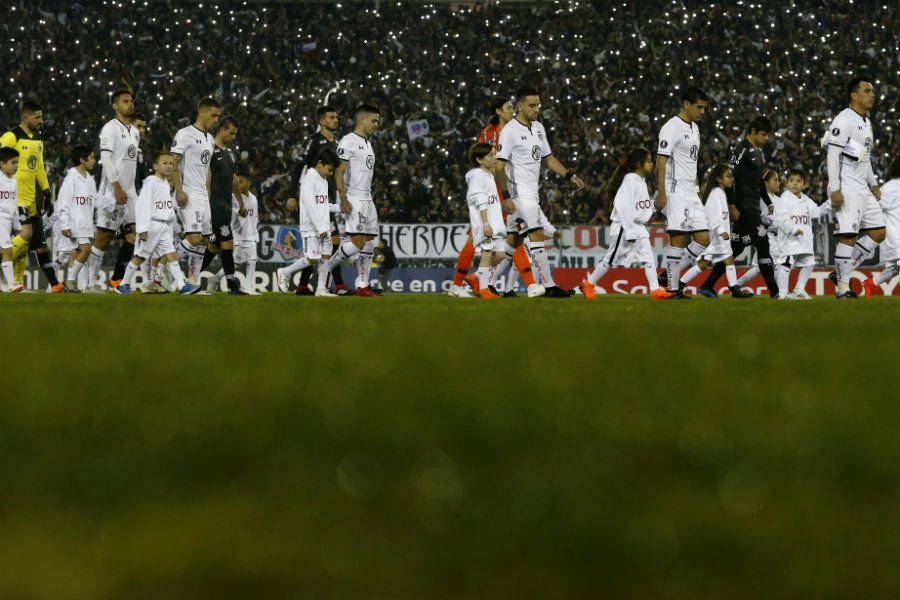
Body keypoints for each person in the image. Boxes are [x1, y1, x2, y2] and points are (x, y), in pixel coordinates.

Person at [495, 86, 584, 298]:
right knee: (536, 234)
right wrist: (506, 197)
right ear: (520, 106)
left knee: (513, 243)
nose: (536, 109)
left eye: (538, 105)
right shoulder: (510, 131)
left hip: (531, 192)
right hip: (519, 195)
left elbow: (549, 158)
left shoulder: (538, 128)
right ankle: (548, 285)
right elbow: (499, 167)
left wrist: (568, 175)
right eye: (532, 105)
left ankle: (480, 278)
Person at [698, 116, 779, 296]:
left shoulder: (759, 151)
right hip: (744, 206)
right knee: (763, 242)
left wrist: (768, 201)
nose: (766, 138)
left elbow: (759, 181)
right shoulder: (740, 149)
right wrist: (732, 204)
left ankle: (707, 285)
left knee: (735, 247)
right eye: (763, 134)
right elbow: (729, 177)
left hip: (753, 205)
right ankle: (776, 293)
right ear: (752, 132)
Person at [580, 148, 672, 300]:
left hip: (638, 227)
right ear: (638, 164)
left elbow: (639, 205)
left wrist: (654, 205)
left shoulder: (640, 181)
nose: (651, 164)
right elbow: (622, 205)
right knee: (609, 260)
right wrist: (629, 231)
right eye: (648, 161)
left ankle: (655, 290)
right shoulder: (630, 179)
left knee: (649, 258)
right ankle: (588, 284)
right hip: (625, 226)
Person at [822, 77, 884, 299]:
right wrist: (835, 188)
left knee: (878, 232)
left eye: (873, 91)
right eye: (867, 90)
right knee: (848, 236)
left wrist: (874, 183)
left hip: (862, 189)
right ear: (854, 95)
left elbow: (863, 157)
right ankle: (843, 289)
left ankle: (840, 274)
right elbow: (832, 153)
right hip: (846, 187)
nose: (872, 94)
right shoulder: (844, 120)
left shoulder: (866, 122)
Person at [0, 101, 63, 291]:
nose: (41, 121)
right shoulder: (11, 137)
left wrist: (46, 191)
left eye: (41, 116)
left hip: (31, 200)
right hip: (14, 198)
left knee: (40, 245)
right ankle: (5, 260)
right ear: (25, 117)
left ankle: (52, 285)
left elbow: (39, 167)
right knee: (26, 234)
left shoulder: (37, 139)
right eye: (37, 117)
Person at [116, 152, 199, 295]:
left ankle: (182, 286)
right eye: (165, 163)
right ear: (156, 166)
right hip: (152, 225)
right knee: (140, 256)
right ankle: (123, 285)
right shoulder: (151, 182)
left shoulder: (165, 183)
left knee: (171, 255)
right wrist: (142, 228)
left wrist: (174, 226)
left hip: (165, 227)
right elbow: (142, 205)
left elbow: (167, 207)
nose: (168, 166)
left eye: (171, 164)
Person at [287, 105, 349, 295]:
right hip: (314, 201)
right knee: (333, 241)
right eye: (331, 117)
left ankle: (304, 285)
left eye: (337, 117)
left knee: (330, 244)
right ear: (322, 121)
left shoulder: (336, 143)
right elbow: (298, 166)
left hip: (327, 199)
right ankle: (338, 285)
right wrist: (292, 194)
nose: (336, 120)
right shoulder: (313, 141)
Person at [655, 86, 711, 299]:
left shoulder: (695, 128)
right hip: (675, 190)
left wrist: (697, 191)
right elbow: (661, 161)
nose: (703, 112)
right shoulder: (671, 127)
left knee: (704, 239)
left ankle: (668, 276)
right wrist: (661, 193)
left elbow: (693, 164)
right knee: (678, 240)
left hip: (691, 191)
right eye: (699, 107)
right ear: (686, 104)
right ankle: (672, 288)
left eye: (704, 108)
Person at [84, 90, 140, 292]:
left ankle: (119, 282)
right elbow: (106, 159)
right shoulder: (110, 128)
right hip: (112, 192)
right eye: (125, 101)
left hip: (130, 193)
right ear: (115, 106)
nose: (130, 104)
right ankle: (90, 284)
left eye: (131, 100)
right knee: (103, 239)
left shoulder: (134, 131)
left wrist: (130, 191)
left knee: (138, 236)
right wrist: (116, 187)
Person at [326, 104, 382, 296]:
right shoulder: (348, 141)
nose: (376, 124)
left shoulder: (367, 143)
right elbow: (339, 172)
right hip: (354, 197)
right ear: (362, 120)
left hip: (368, 197)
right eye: (373, 120)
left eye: (378, 121)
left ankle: (363, 285)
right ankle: (325, 268)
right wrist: (343, 197)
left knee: (369, 242)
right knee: (357, 243)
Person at [679, 165, 754, 298]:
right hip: (715, 237)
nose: (731, 179)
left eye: (732, 176)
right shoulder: (716, 194)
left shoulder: (719, 193)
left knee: (729, 259)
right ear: (719, 179)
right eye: (728, 176)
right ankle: (680, 284)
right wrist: (721, 231)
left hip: (719, 238)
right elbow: (714, 217)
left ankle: (734, 289)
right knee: (702, 265)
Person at [277, 148, 341, 297]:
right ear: (320, 164)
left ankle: (321, 290)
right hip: (312, 226)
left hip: (323, 225)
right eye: (329, 169)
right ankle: (284, 272)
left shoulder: (322, 180)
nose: (331, 174)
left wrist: (340, 208)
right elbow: (311, 206)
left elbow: (323, 205)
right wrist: (320, 228)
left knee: (326, 255)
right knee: (313, 258)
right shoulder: (309, 180)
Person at [171, 97, 221, 284]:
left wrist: (207, 193)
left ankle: (192, 281)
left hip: (202, 195)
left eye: (218, 116)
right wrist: (179, 190)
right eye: (214, 115)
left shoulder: (210, 139)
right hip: (188, 192)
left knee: (204, 241)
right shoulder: (185, 134)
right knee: (193, 238)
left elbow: (207, 168)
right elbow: (173, 163)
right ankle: (162, 265)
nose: (216, 120)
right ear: (202, 112)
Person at [196, 115, 246, 295]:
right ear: (222, 130)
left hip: (226, 206)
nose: (233, 137)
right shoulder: (209, 149)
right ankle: (233, 287)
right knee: (227, 243)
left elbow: (234, 181)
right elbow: (206, 181)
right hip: (214, 205)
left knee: (213, 246)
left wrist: (240, 202)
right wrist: (205, 207)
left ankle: (190, 279)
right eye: (231, 133)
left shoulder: (230, 153)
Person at [773, 169, 829, 299]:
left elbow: (817, 212)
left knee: (809, 263)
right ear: (786, 183)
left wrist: (830, 204)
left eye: (798, 181)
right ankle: (783, 294)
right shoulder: (784, 199)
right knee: (786, 263)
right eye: (791, 180)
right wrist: (793, 229)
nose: (795, 183)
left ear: (804, 184)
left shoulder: (806, 200)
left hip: (804, 240)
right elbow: (781, 218)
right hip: (789, 239)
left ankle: (799, 290)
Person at [465, 142, 506, 298]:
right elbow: (480, 201)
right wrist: (485, 224)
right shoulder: (477, 177)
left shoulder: (488, 175)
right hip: (486, 224)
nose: (494, 157)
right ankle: (483, 290)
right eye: (490, 155)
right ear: (479, 160)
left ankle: (476, 277)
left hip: (496, 224)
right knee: (487, 254)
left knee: (501, 255)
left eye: (494, 154)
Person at [209, 167, 260, 294]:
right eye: (237, 182)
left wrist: (255, 234)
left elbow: (255, 218)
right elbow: (227, 213)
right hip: (237, 235)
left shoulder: (253, 198)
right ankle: (215, 279)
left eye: (241, 182)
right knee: (235, 264)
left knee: (252, 261)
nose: (238, 184)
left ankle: (248, 287)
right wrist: (238, 212)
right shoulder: (233, 197)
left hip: (250, 235)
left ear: (249, 182)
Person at [58, 145, 98, 292]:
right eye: (92, 157)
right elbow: (63, 202)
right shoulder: (71, 178)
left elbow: (95, 200)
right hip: (75, 223)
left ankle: (71, 282)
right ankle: (70, 281)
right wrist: (65, 224)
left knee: (76, 252)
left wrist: (111, 202)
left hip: (86, 223)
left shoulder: (90, 179)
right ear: (82, 159)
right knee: (86, 250)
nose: (94, 161)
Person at [863, 157, 900, 298]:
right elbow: (875, 207)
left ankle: (871, 283)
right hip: (895, 235)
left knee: (894, 269)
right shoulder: (891, 188)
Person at [0, 147, 22, 292]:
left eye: (17, 163)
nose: (16, 166)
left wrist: (17, 224)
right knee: (8, 250)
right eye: (13, 162)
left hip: (7, 222)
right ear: (2, 164)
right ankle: (12, 283)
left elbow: (14, 203)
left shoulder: (13, 180)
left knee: (3, 252)